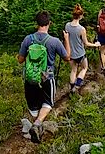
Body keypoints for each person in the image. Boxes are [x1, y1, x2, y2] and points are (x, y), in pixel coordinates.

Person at [17, 11, 70, 143]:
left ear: (36, 24)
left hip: (30, 78)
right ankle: (38, 123)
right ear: (49, 23)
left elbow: (20, 59)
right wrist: (67, 40)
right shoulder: (54, 41)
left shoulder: (28, 39)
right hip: (47, 77)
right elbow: (67, 58)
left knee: (33, 105)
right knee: (48, 102)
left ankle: (36, 122)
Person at [64, 4, 100, 93]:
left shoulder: (67, 25)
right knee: (84, 68)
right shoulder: (81, 29)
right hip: (80, 53)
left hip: (70, 53)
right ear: (80, 16)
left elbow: (66, 38)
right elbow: (86, 43)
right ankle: (77, 85)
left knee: (73, 70)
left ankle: (71, 87)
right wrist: (96, 45)